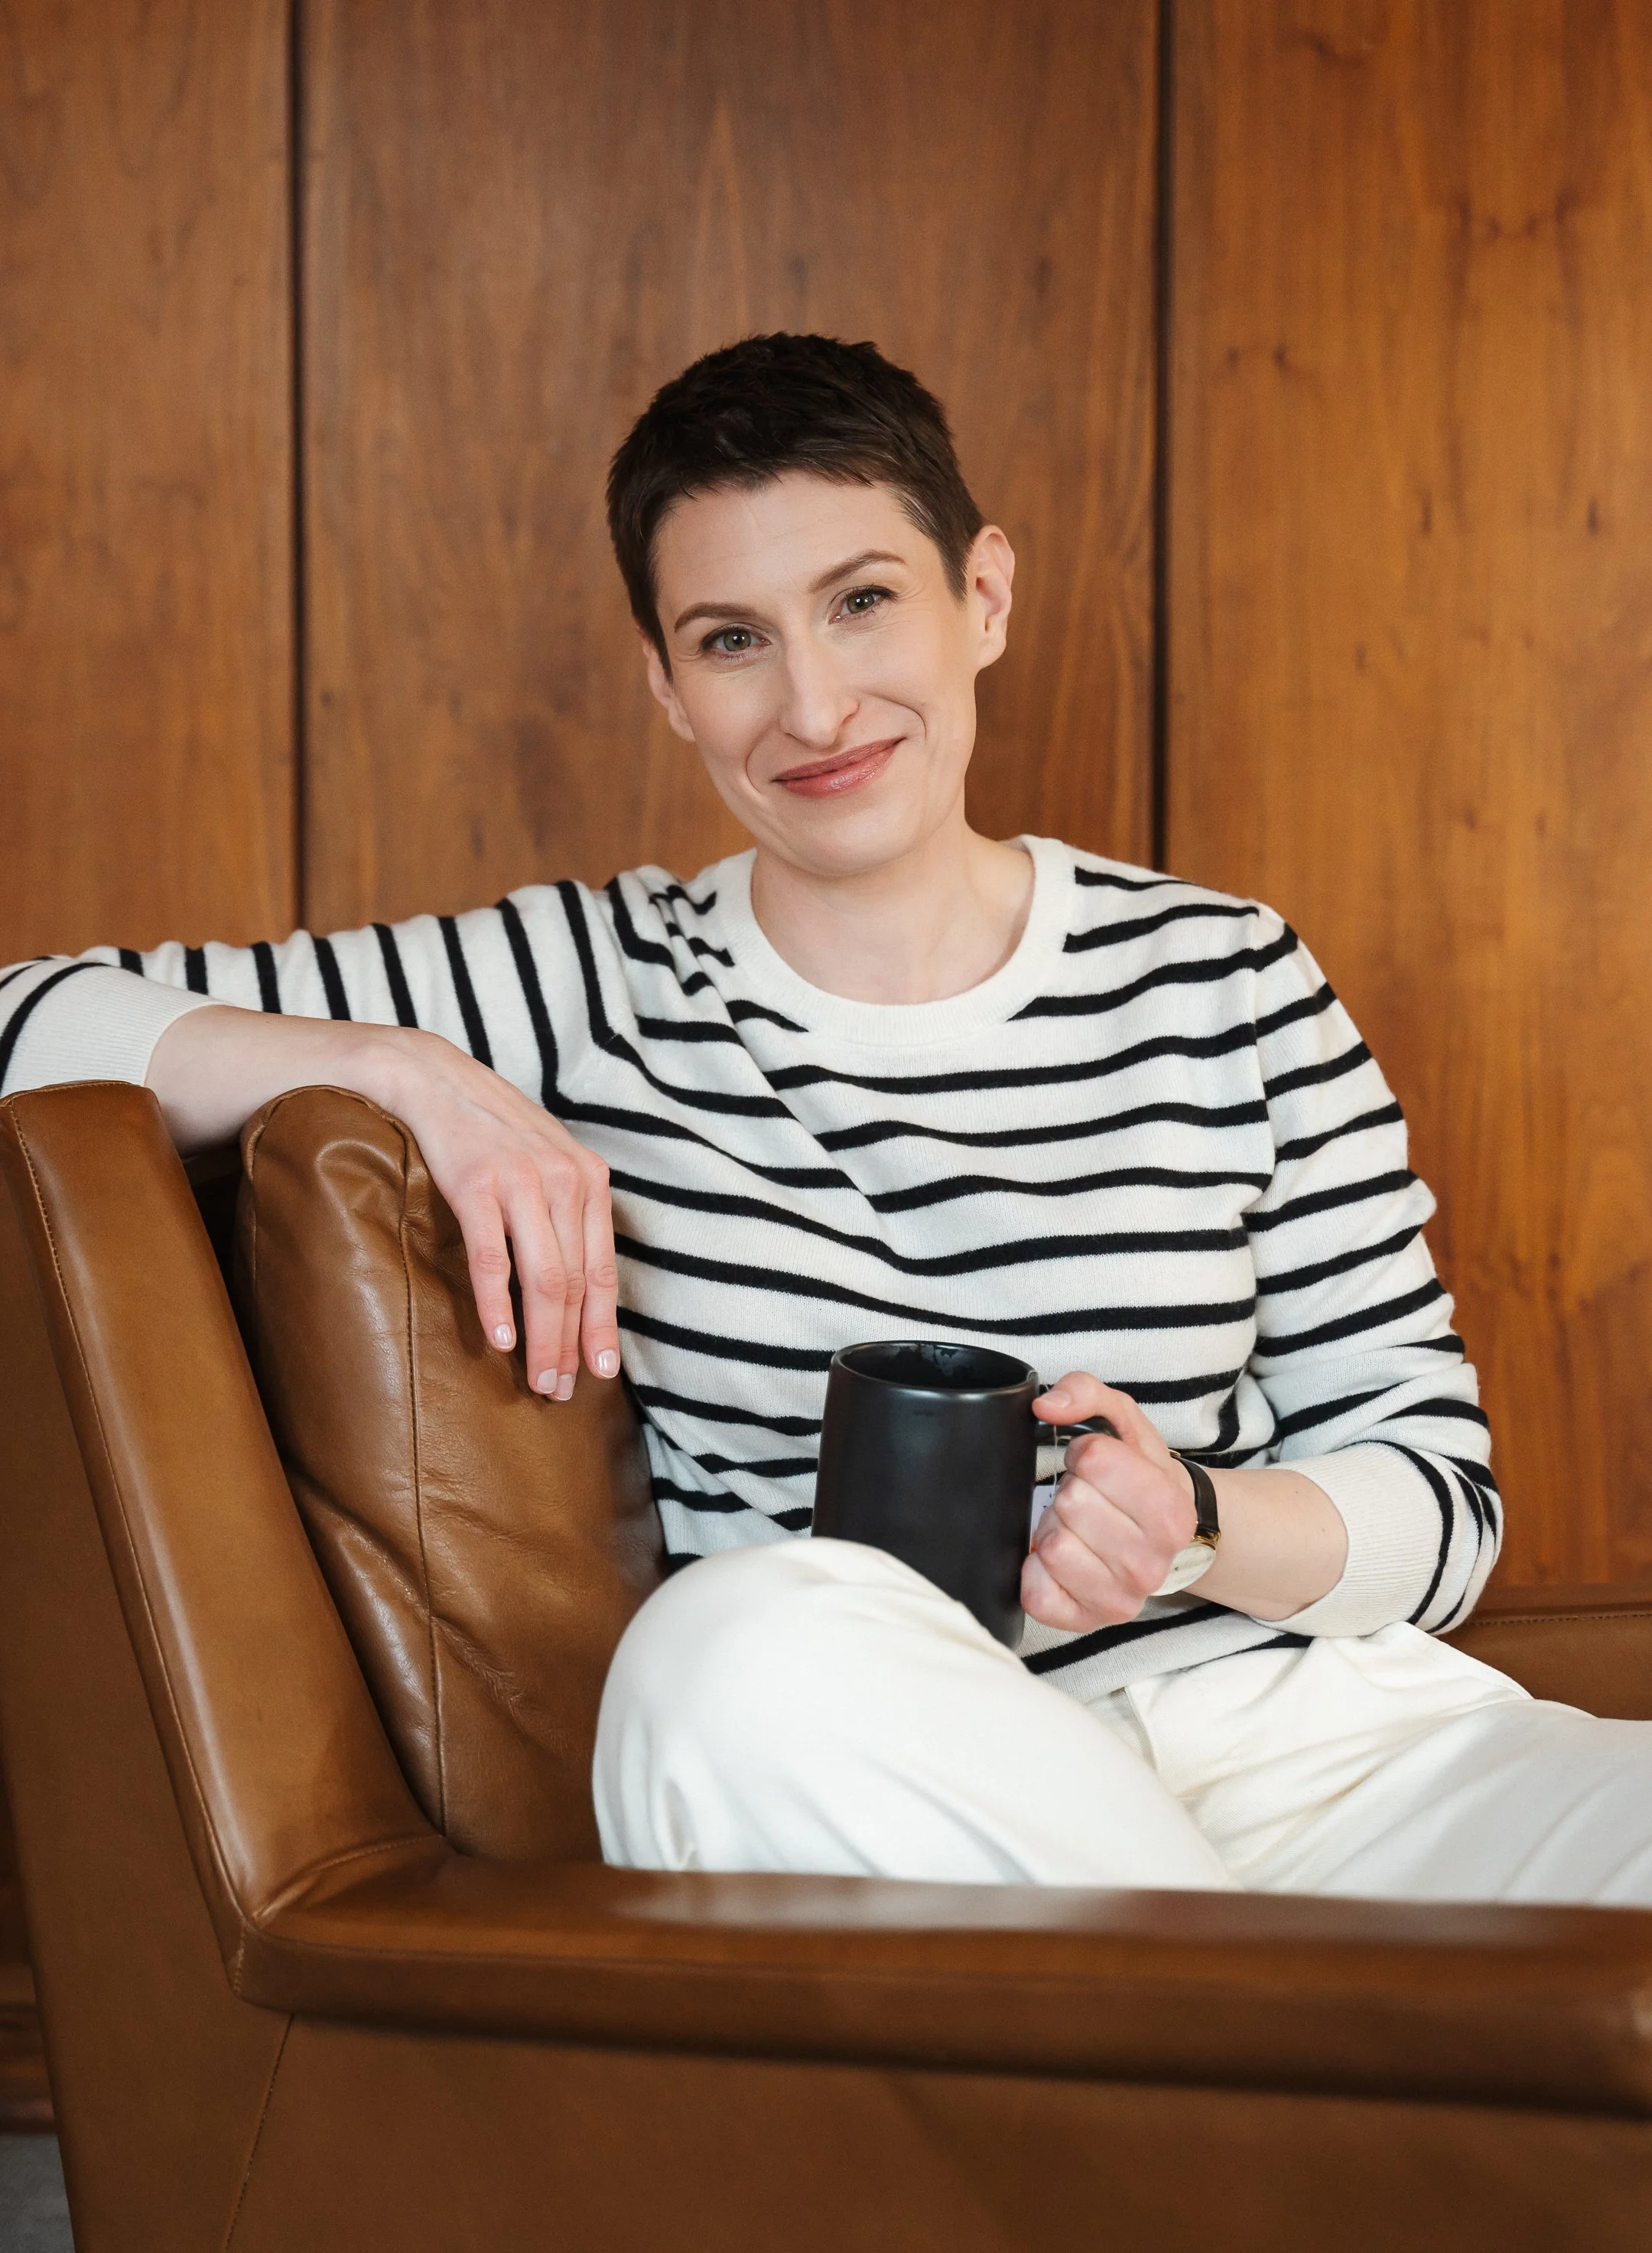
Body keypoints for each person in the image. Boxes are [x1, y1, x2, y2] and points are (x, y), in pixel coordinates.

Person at [4, 333, 1647, 1901]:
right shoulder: (589, 979)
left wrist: (1199, 1525)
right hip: (887, 1785)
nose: (813, 705)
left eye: (862, 603)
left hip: (1325, 1756)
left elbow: (1439, 1501)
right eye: (733, 640)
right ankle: (1276, 2041)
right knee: (731, 1644)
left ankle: (1229, 2043)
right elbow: (26, 1013)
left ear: (982, 596)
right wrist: (398, 1069)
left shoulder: (1227, 972)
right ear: (667, 686)